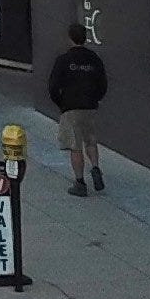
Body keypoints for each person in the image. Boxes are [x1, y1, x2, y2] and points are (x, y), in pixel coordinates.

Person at [49, 21, 110, 194]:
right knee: (90, 140)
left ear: (70, 38)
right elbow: (103, 83)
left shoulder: (63, 60)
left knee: (75, 146)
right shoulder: (94, 59)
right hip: (89, 106)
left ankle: (80, 182)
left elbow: (53, 86)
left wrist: (61, 103)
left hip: (71, 106)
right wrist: (95, 99)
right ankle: (96, 167)